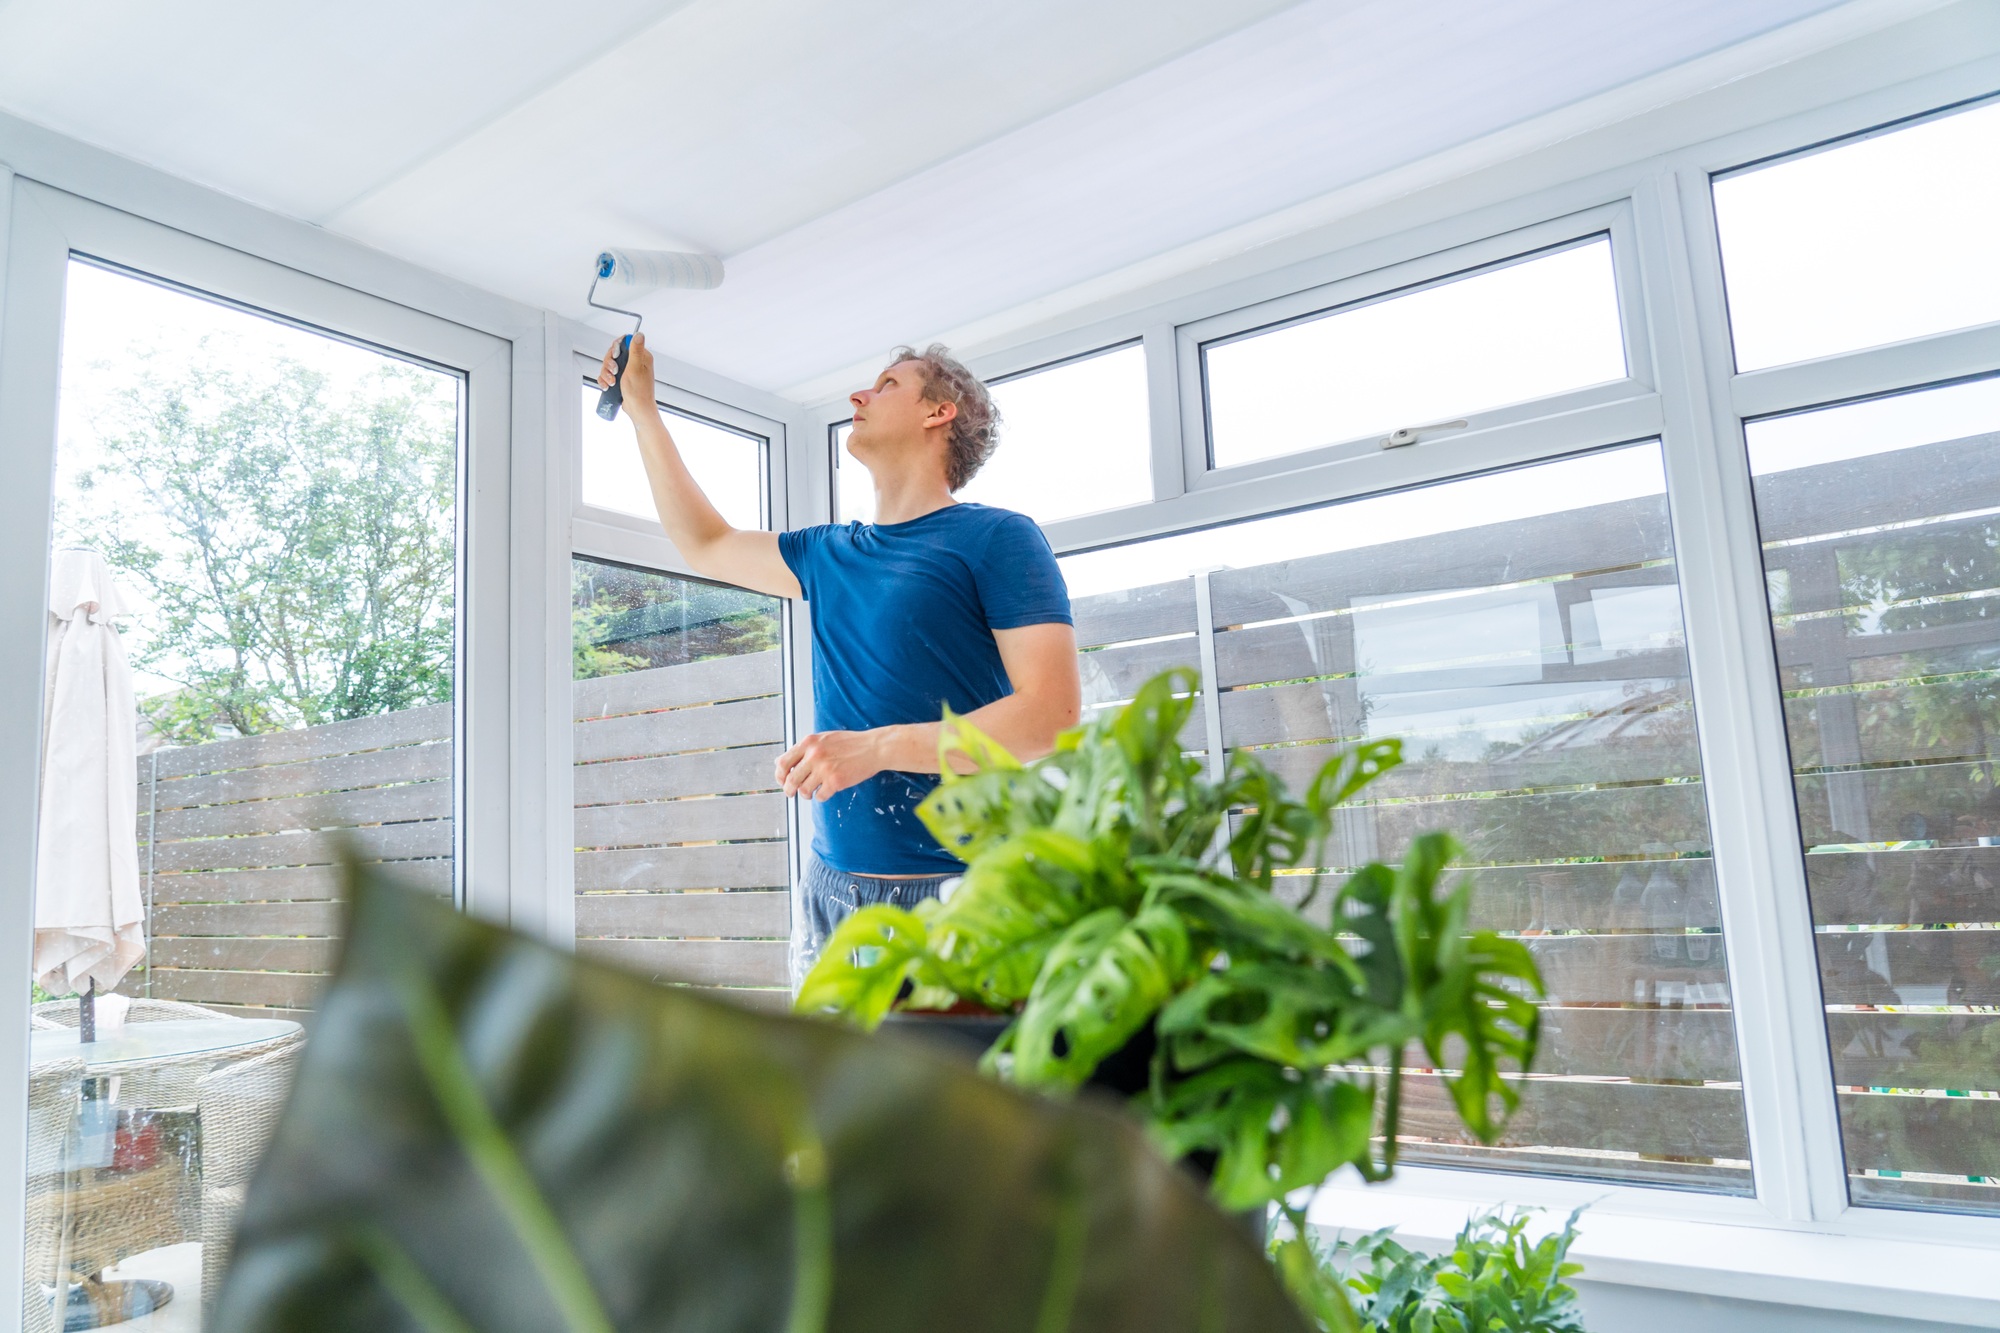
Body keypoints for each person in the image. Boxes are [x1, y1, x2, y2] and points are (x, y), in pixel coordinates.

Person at [599, 335, 1082, 984]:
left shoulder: (998, 538)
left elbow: (1051, 717)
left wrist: (875, 747)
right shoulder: (827, 553)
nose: (858, 395)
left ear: (940, 412)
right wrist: (643, 411)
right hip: (832, 898)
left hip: (961, 900)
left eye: (886, 385)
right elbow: (706, 544)